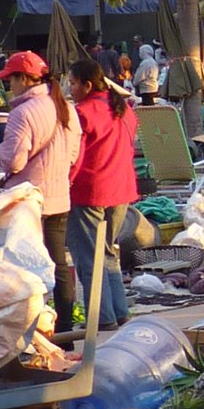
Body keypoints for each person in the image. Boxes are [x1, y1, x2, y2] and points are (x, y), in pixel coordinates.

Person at [0, 50, 82, 329]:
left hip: (29, 200)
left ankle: (34, 327)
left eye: (11, 79)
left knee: (25, 266)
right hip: (59, 196)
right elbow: (73, 155)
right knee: (58, 264)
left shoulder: (22, 113)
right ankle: (66, 328)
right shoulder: (65, 107)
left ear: (24, 79)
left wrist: (0, 157)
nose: (10, 85)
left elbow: (14, 160)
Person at [67, 55, 139, 328]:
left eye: (73, 83)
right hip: (121, 189)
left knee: (88, 258)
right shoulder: (123, 109)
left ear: (87, 85)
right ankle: (119, 312)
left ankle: (102, 317)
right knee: (108, 253)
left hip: (90, 190)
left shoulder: (82, 113)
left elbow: (75, 156)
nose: (70, 89)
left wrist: (65, 184)